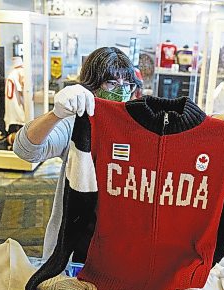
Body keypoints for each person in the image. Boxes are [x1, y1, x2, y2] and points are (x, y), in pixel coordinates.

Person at [13, 46, 142, 261]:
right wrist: (56, 115)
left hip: (119, 232)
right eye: (111, 83)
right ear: (91, 85)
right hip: (77, 234)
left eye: (126, 84)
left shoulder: (137, 122)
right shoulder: (76, 122)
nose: (121, 91)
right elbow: (25, 149)